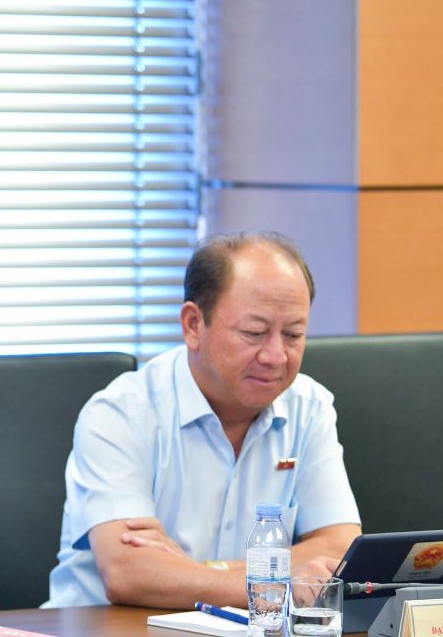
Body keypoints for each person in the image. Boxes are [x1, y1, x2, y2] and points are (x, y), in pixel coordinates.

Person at [45, 231, 362, 609]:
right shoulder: (121, 414)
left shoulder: (309, 407)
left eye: (293, 334)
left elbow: (340, 548)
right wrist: (282, 578)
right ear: (194, 325)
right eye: (254, 333)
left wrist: (197, 570)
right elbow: (129, 573)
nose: (276, 356)